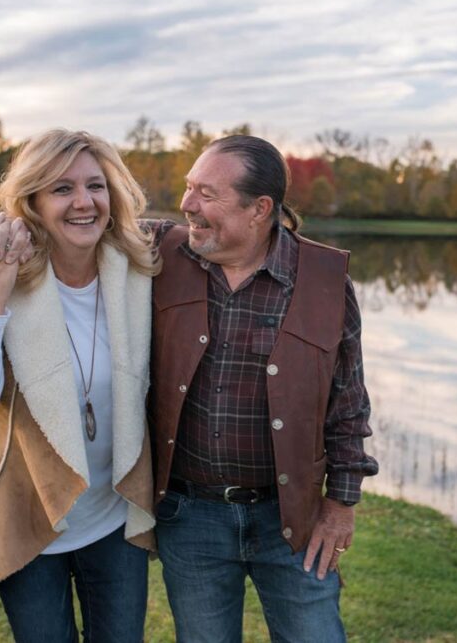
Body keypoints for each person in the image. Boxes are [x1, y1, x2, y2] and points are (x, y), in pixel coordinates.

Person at [0, 129, 158, 642]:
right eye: (61, 188)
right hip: (28, 519)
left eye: (95, 185)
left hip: (112, 517)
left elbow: (202, 233)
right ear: (29, 200)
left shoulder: (135, 269)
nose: (84, 202)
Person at [147, 135, 379, 642]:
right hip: (190, 518)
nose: (188, 204)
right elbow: (80, 225)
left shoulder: (324, 279)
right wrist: (10, 225)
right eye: (189, 188)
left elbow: (348, 402)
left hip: (292, 522)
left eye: (207, 194)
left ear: (260, 209)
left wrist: (340, 507)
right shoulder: (163, 250)